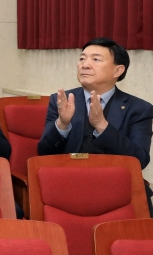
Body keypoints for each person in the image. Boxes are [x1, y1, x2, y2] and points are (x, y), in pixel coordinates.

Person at [38, 37, 153, 169]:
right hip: (68, 176)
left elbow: (140, 161)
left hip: (112, 178)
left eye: (96, 59)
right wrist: (62, 124)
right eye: (82, 59)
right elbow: (43, 152)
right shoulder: (61, 101)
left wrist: (102, 125)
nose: (85, 65)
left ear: (118, 70)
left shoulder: (139, 109)